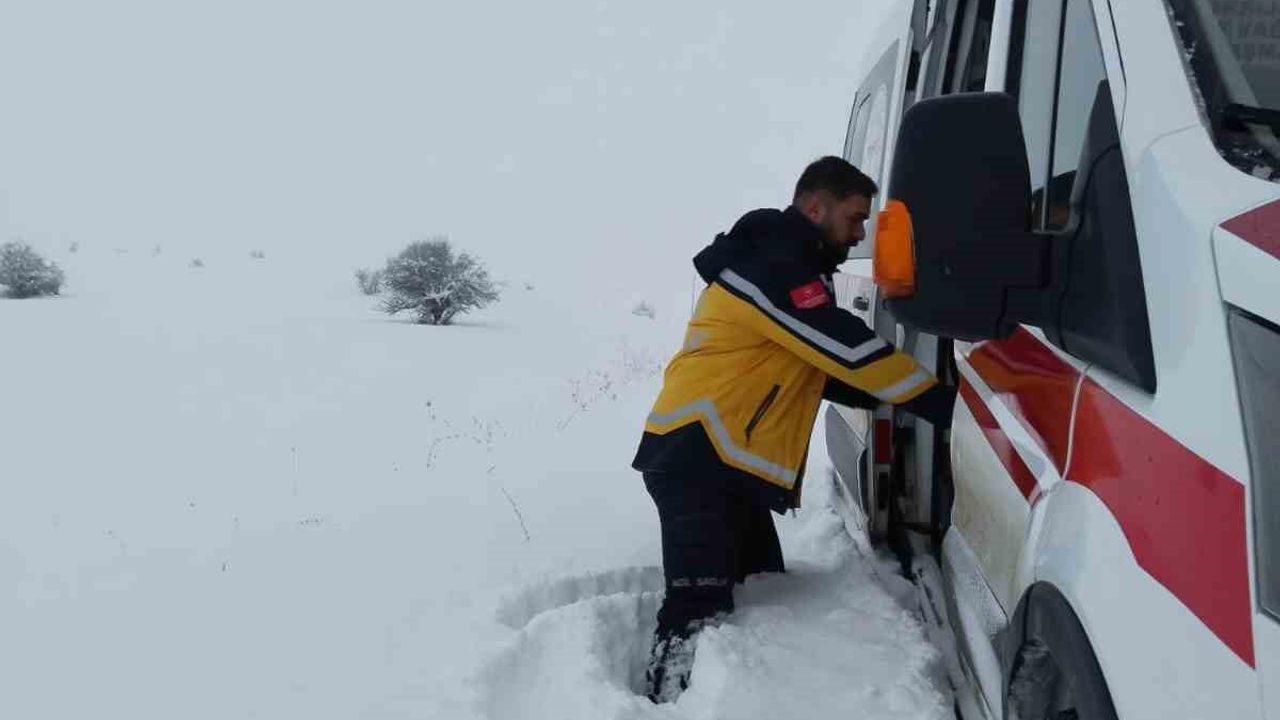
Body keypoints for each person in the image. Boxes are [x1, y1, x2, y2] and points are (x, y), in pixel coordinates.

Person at [632, 156, 956, 703]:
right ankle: (665, 703)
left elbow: (815, 369)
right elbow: (843, 346)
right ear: (815, 208)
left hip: (726, 466)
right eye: (855, 218)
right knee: (697, 610)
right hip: (696, 459)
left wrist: (888, 397)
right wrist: (943, 404)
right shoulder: (769, 264)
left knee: (764, 593)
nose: (859, 234)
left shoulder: (791, 266)